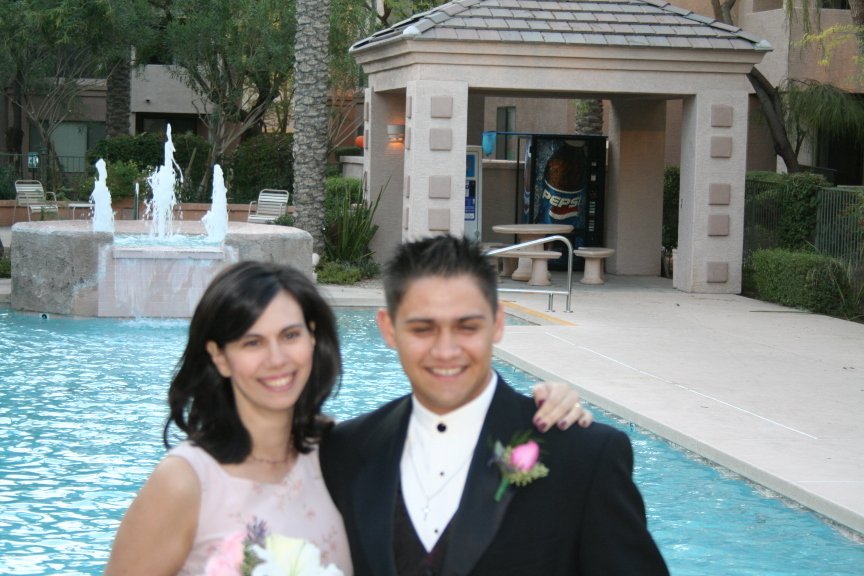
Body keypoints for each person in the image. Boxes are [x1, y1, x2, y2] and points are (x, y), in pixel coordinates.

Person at [105, 261, 592, 575]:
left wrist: (545, 407)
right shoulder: (186, 482)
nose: (277, 359)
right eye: (252, 342)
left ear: (313, 339)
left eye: (290, 335)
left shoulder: (345, 454)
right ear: (220, 357)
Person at [320, 235, 669, 576]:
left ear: (498, 323)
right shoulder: (346, 450)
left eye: (467, 327)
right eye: (423, 329)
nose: (446, 351)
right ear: (388, 329)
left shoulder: (584, 455)